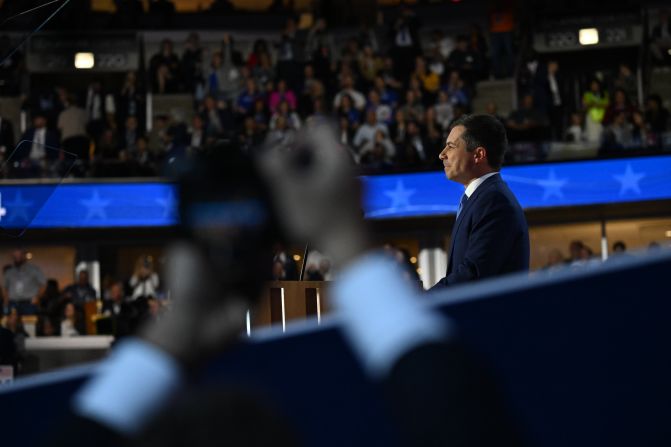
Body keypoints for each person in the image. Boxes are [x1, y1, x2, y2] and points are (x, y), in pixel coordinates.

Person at [431, 114, 529, 289]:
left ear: (478, 155)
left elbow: (473, 274)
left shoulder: (494, 201)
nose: (442, 154)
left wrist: (423, 299)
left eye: (451, 146)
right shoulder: (481, 198)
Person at [3, 249, 46, 316]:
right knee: (10, 323)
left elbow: (43, 285)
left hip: (28, 303)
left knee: (29, 324)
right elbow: (5, 288)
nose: (17, 258)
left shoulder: (34, 269)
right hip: (13, 303)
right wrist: (6, 303)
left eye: (19, 256)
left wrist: (37, 297)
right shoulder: (9, 272)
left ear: (24, 256)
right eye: (15, 257)